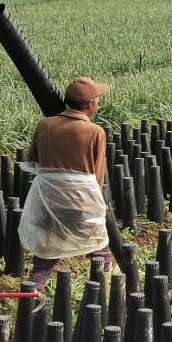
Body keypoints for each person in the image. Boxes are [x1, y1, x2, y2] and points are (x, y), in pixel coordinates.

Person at [19, 76, 112, 292]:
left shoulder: (44, 125)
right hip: (81, 204)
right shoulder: (95, 132)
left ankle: (28, 302)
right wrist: (96, 207)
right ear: (91, 104)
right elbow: (97, 177)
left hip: (48, 202)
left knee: (44, 261)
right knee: (101, 253)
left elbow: (33, 160)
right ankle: (105, 300)